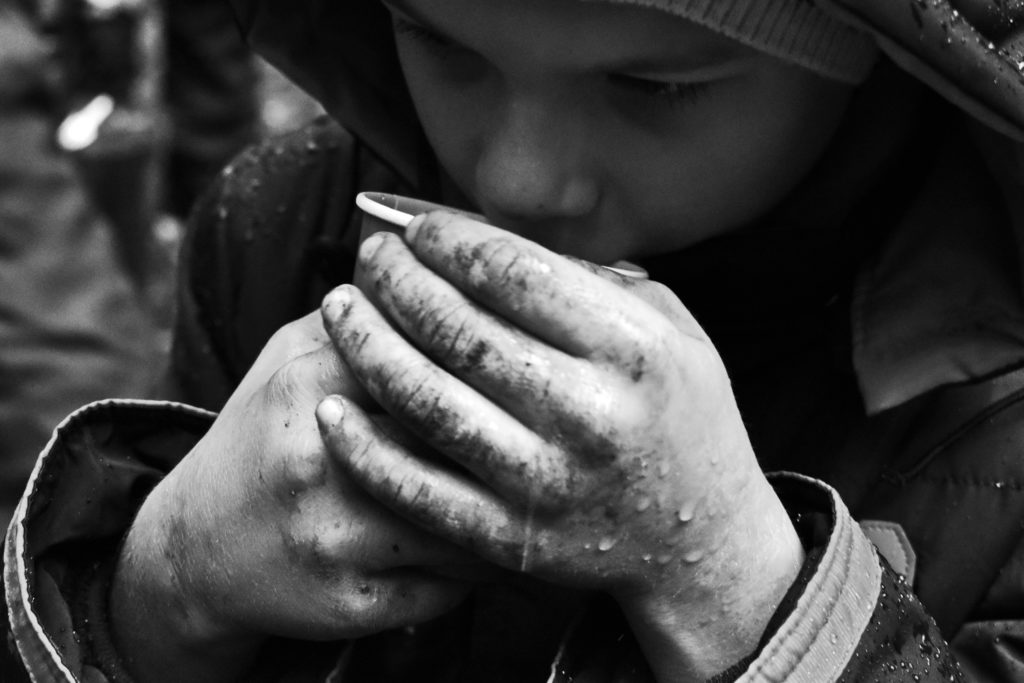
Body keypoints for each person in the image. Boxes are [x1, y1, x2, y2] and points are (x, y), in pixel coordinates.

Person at [4, 0, 1024, 681]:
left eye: (655, 87)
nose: (517, 180)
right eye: (443, 45)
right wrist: (160, 587)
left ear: (878, 60)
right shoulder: (285, 231)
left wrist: (733, 578)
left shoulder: (999, 418)